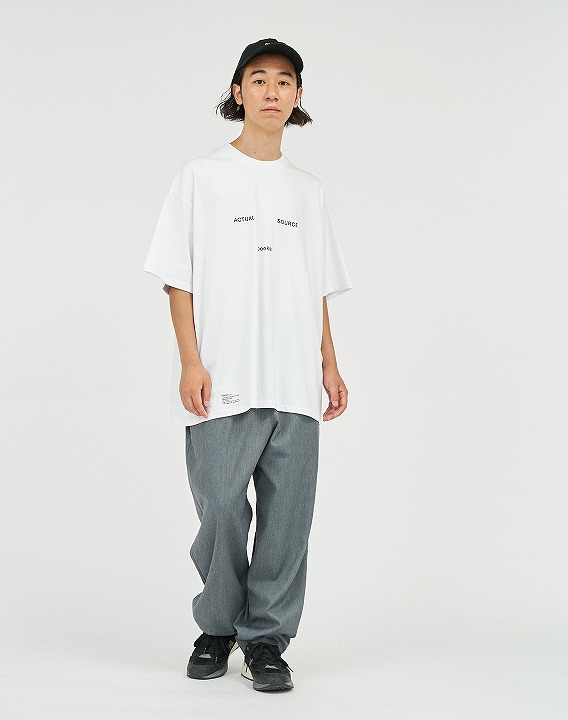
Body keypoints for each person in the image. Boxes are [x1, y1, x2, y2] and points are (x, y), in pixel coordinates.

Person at [143, 38, 352, 692]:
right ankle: (217, 626)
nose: (271, 91)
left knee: (289, 520)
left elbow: (316, 288)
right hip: (221, 378)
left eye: (284, 81)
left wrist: (330, 364)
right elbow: (178, 280)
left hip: (293, 381)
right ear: (238, 92)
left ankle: (266, 641)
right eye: (258, 79)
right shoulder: (199, 177)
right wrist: (190, 362)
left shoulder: (308, 191)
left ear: (297, 96)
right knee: (221, 511)